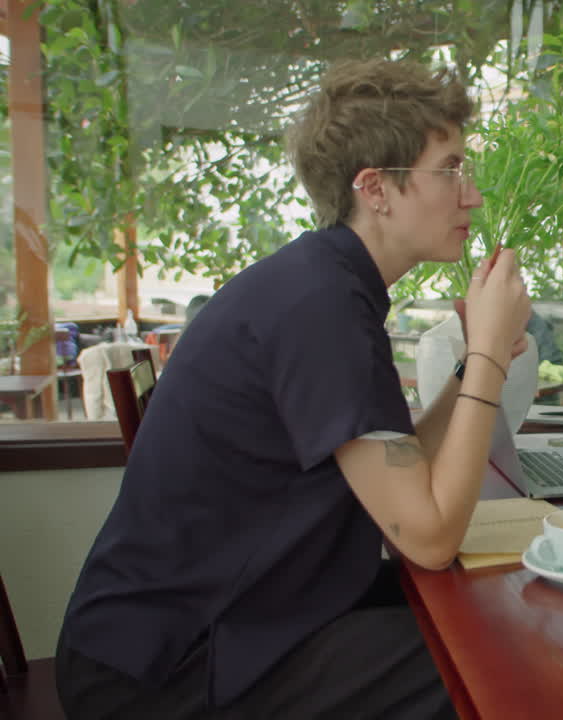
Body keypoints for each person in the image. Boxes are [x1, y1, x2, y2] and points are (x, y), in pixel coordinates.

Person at [56, 60, 531, 719]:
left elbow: (404, 480)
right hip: (173, 665)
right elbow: (426, 536)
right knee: (490, 659)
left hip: (253, 614)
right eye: (449, 169)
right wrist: (485, 358)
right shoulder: (320, 307)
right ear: (377, 189)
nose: (471, 194)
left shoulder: (330, 287)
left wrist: (470, 368)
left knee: (483, 608)